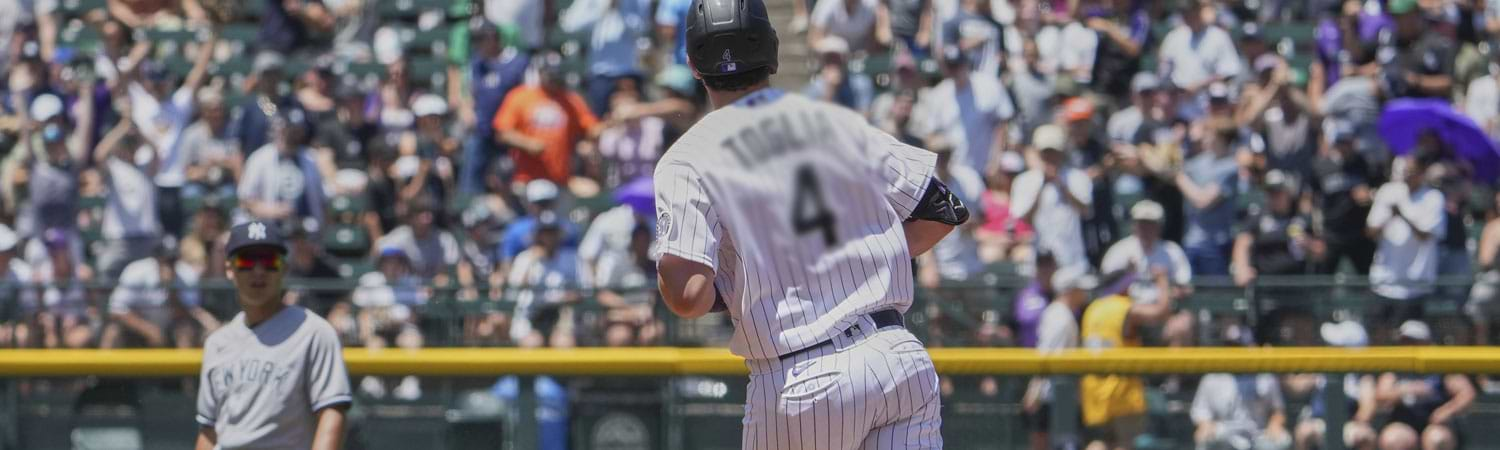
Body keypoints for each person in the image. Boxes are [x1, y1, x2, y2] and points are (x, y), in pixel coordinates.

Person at [653, 0, 967, 447]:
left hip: (804, 378)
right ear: (773, 51)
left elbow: (689, 298)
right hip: (899, 361)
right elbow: (944, 210)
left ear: (693, 64)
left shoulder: (686, 158)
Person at [195, 220, 351, 450]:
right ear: (230, 269)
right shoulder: (217, 343)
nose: (258, 271)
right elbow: (209, 433)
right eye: (247, 261)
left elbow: (332, 413)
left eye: (269, 261)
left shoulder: (314, 332)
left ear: (284, 268)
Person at [1081, 268, 1177, 450]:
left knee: (1099, 443)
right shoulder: (1122, 307)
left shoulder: (1092, 309)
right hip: (1121, 389)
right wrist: (1162, 280)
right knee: (1124, 445)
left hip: (1094, 390)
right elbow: (1161, 312)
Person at [1367, 155, 1445, 340]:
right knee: (1379, 337)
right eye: (1405, 172)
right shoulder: (1387, 191)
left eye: (1412, 172)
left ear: (1422, 173)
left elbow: (1425, 235)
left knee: (1411, 339)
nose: (1407, 176)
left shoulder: (1433, 198)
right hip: (1384, 281)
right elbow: (1370, 232)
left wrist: (1402, 214)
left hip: (1415, 284)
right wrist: (1389, 216)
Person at [1022, 266, 1096, 450]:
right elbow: (1047, 356)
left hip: (1058, 392)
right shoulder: (1060, 316)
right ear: (1070, 290)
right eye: (1080, 289)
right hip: (1052, 395)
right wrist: (1035, 390)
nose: (1084, 293)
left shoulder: (1059, 312)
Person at [1372, 321, 1474, 450]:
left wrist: (1446, 411)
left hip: (1436, 423)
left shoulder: (1440, 367)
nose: (1408, 346)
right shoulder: (1395, 368)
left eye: (1413, 341)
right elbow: (1380, 395)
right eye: (1404, 341)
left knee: (1437, 439)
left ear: (1427, 343)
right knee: (1394, 439)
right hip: (1405, 422)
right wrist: (1406, 389)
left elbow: (1467, 393)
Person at [102, 240, 219, 349]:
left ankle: (183, 371)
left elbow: (189, 313)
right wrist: (147, 329)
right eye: (165, 260)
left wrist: (171, 289)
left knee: (185, 330)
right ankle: (103, 371)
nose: (169, 264)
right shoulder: (136, 271)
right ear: (156, 259)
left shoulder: (187, 275)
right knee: (113, 331)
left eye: (172, 260)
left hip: (171, 328)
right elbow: (116, 310)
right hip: (138, 327)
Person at [1012, 124, 1093, 272]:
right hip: (1039, 261)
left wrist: (1061, 185)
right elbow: (1023, 220)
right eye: (1045, 152)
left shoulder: (1078, 178)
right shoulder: (1024, 181)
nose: (1049, 157)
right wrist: (1042, 187)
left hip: (1072, 260)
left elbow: (1086, 211)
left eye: (1053, 152)